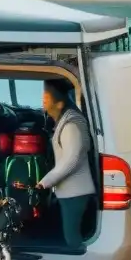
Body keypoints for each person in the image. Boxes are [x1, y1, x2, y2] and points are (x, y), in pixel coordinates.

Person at [37, 78, 96, 249]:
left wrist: (45, 182)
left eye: (47, 96)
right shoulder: (64, 120)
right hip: (68, 192)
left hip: (75, 193)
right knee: (67, 235)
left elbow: (72, 159)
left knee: (72, 238)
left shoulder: (71, 125)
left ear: (60, 102)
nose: (43, 99)